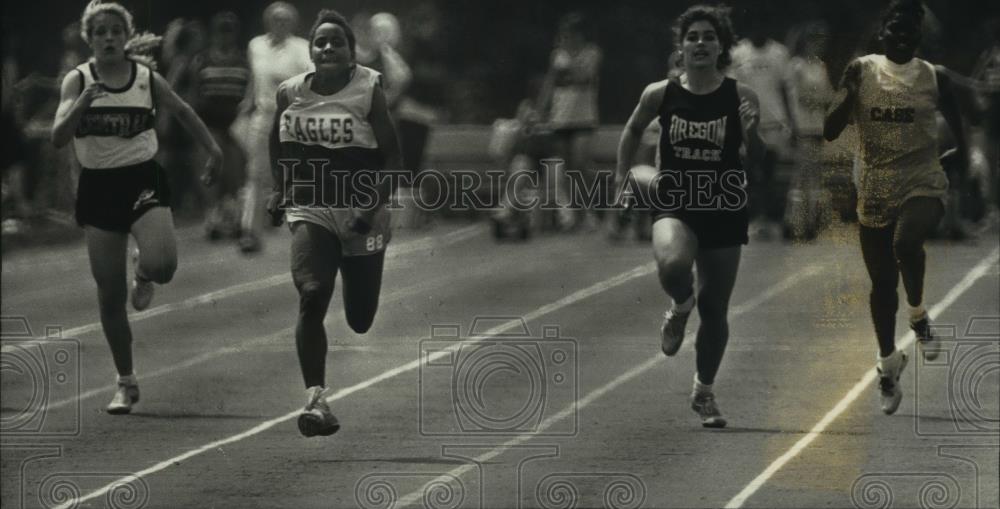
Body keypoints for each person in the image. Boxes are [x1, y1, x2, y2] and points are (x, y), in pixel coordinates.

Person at [51, 0, 222, 414]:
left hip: (143, 177)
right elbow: (58, 137)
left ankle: (144, 271)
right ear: (88, 38)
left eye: (116, 31)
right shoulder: (77, 80)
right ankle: (125, 381)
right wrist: (82, 103)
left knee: (164, 265)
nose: (109, 38)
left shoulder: (145, 77)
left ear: (126, 38)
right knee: (109, 296)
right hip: (98, 187)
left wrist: (213, 150)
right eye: (100, 32)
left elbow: (181, 110)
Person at [615, 4, 763, 428]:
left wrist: (751, 135)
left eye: (709, 37)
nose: (700, 43)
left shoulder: (741, 96)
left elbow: (759, 160)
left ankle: (704, 391)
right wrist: (622, 178)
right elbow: (631, 130)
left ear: (722, 47)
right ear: (680, 48)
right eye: (693, 36)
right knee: (674, 265)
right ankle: (680, 306)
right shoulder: (660, 93)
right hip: (675, 199)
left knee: (716, 308)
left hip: (723, 205)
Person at [823, 0, 968, 415]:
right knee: (882, 286)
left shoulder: (933, 77)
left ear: (919, 35)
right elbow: (830, 131)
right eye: (894, 29)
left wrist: (960, 154)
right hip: (874, 185)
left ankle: (919, 315)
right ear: (882, 33)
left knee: (906, 244)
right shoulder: (862, 71)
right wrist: (848, 91)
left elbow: (959, 127)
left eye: (910, 30)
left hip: (923, 179)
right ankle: (888, 365)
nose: (902, 36)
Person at [266, 9, 401, 437]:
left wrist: (369, 206)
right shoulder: (290, 93)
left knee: (360, 319)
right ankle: (316, 399)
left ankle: (351, 265)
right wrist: (279, 187)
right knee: (312, 291)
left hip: (364, 210)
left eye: (336, 42)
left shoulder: (368, 87)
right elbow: (277, 139)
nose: (327, 48)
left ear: (350, 52)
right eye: (320, 42)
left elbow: (395, 163)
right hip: (312, 207)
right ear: (310, 51)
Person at [240, 1, 312, 253]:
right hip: (264, 114)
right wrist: (247, 103)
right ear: (267, 21)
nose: (280, 24)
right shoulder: (256, 45)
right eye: (275, 19)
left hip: (293, 116)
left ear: (293, 23)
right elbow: (254, 78)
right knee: (255, 173)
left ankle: (305, 230)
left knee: (296, 172)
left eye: (285, 20)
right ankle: (250, 231)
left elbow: (308, 81)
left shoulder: (302, 48)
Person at [728, 7, 796, 239]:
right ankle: (748, 219)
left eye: (763, 24)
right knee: (748, 172)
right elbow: (732, 90)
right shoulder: (738, 53)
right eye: (754, 24)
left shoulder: (780, 53)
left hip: (775, 123)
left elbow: (787, 90)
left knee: (768, 173)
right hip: (747, 122)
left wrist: (792, 121)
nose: (759, 29)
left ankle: (765, 220)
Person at [189, 12, 250, 240]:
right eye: (221, 31)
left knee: (235, 169)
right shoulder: (202, 60)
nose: (225, 36)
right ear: (214, 34)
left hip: (236, 123)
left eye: (229, 30)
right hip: (209, 123)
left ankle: (233, 215)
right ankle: (212, 214)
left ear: (235, 33)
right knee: (211, 168)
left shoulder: (244, 60)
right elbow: (194, 93)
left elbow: (250, 90)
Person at [539, 12, 602, 231]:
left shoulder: (591, 53)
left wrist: (569, 61)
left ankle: (589, 211)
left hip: (583, 117)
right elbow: (549, 84)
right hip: (561, 117)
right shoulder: (557, 56)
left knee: (580, 166)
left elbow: (584, 76)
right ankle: (573, 214)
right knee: (566, 169)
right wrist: (541, 110)